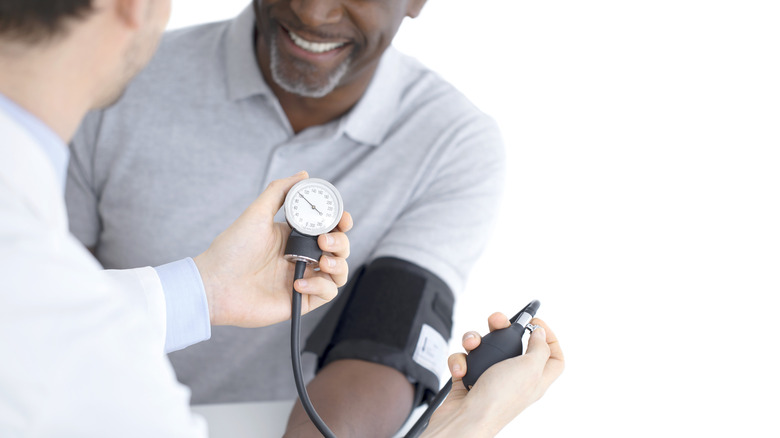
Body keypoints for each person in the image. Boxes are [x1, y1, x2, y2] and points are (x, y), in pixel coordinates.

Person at [65, 1, 506, 435]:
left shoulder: (453, 140)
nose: (313, 13)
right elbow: (33, 293)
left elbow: (383, 346)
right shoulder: (112, 72)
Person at [0, 0, 350, 435]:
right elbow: (55, 325)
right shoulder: (84, 347)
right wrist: (455, 427)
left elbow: (35, 315)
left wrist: (207, 290)